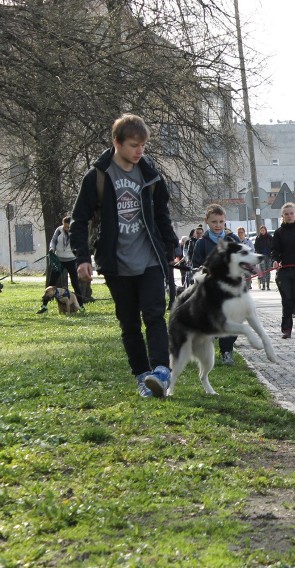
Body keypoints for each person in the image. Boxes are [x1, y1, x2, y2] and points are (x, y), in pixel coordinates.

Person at [69, 113, 179, 398]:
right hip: (117, 264)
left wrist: (171, 247)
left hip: (150, 259)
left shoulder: (149, 173)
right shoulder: (97, 177)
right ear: (116, 143)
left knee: (155, 315)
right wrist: (82, 258)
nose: (139, 151)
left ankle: (161, 372)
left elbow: (161, 213)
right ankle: (143, 377)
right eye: (133, 145)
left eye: (143, 145)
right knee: (129, 323)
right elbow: (79, 220)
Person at [191, 203, 241, 366]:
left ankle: (227, 351)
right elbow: (196, 265)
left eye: (221, 221)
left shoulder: (232, 240)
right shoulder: (202, 243)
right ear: (207, 222)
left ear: (225, 221)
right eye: (214, 222)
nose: (218, 225)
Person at [271, 203, 295, 338]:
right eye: (286, 214)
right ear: (283, 216)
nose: (289, 216)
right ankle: (287, 329)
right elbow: (275, 250)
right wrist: (275, 260)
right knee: (287, 301)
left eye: (291, 213)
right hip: (284, 271)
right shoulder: (278, 233)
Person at [38, 216, 85, 313]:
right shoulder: (59, 230)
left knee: (75, 283)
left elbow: (79, 244)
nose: (66, 229)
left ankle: (81, 306)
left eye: (68, 227)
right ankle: (44, 306)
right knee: (51, 283)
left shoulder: (75, 232)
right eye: (65, 227)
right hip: (59, 260)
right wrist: (52, 248)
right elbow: (53, 241)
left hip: (71, 260)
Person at [254, 225, 273, 290]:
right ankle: (263, 285)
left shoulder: (269, 237)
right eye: (261, 230)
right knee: (262, 270)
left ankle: (268, 285)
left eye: (263, 230)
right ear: (260, 231)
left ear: (265, 230)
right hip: (261, 256)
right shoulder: (258, 238)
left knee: (268, 270)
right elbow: (256, 247)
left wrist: (271, 253)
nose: (262, 231)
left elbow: (273, 246)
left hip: (268, 256)